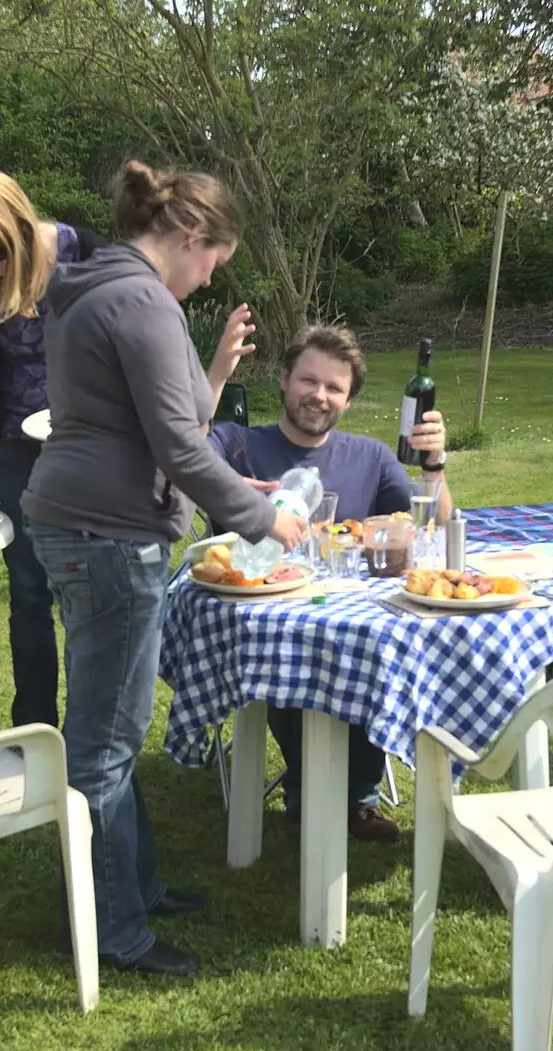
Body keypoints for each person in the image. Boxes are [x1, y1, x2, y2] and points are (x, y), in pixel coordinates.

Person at [23, 160, 309, 976]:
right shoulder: (141, 300)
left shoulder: (94, 288)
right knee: (105, 743)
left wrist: (233, 481)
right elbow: (179, 446)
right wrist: (264, 518)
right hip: (109, 535)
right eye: (212, 261)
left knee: (109, 722)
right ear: (189, 237)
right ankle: (111, 929)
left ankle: (133, 883)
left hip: (79, 521)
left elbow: (154, 426)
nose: (209, 276)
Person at [205, 323, 452, 842]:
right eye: (308, 381)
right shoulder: (240, 445)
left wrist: (435, 466)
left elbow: (433, 530)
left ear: (348, 399)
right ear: (285, 381)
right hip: (267, 622)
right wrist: (217, 376)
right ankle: (330, 794)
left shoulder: (371, 458)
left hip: (355, 625)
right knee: (296, 657)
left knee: (375, 656)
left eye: (334, 387)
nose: (319, 395)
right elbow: (183, 443)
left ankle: (345, 795)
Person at [0, 170, 106, 731]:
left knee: (89, 590)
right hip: (14, 450)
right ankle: (36, 727)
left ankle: (88, 730)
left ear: (21, 231)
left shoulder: (86, 253)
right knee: (29, 592)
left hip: (94, 448)